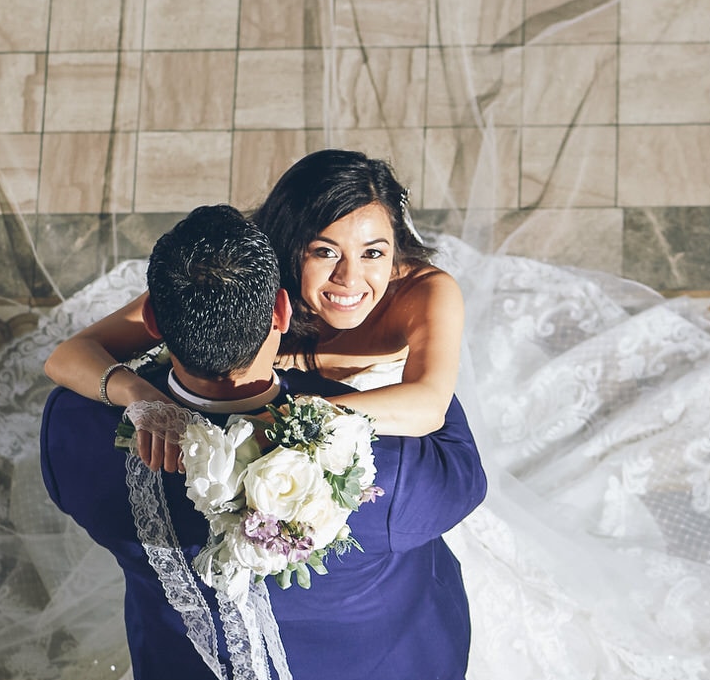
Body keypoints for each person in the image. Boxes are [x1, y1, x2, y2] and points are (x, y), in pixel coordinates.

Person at [38, 200, 583, 680]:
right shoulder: (376, 466)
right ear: (284, 311)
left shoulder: (86, 442)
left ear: (154, 318)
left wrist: (132, 390)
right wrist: (363, 374)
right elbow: (460, 471)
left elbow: (73, 392)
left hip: (206, 677)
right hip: (381, 679)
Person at [45, 150, 462, 467]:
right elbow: (67, 356)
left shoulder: (424, 294)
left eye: (373, 253)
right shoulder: (250, 279)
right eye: (324, 251)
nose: (350, 279)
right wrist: (139, 396)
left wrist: (293, 421)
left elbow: (428, 406)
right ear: (289, 243)